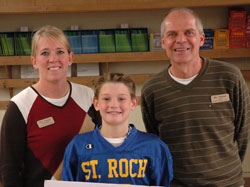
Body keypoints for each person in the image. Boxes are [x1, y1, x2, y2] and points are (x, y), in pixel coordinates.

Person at [141, 8, 250, 187]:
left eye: (189, 32)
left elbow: (243, 133)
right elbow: (156, 142)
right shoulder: (152, 90)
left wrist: (225, 173)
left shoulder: (230, 76)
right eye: (172, 34)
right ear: (163, 42)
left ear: (201, 39)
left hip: (228, 183)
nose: (181, 40)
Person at [0, 25, 101, 187]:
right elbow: (9, 171)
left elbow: (105, 148)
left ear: (70, 58)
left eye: (60, 52)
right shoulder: (19, 106)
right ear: (34, 61)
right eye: (45, 53)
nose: (53, 59)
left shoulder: (88, 97)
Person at [62, 73, 173, 186]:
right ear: (96, 103)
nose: (114, 104)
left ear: (133, 103)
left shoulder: (155, 147)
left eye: (121, 99)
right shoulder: (78, 146)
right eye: (106, 98)